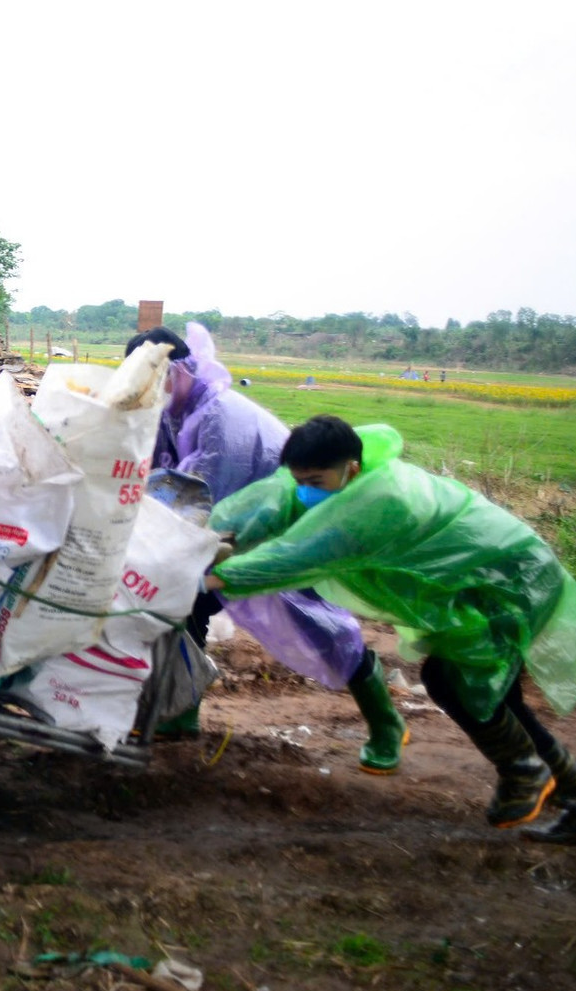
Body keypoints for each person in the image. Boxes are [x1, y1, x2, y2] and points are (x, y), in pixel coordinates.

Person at [207, 415, 576, 846]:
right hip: (480, 578)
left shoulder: (380, 503)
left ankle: (525, 772)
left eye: (315, 480)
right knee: (496, 698)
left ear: (351, 469)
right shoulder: (336, 480)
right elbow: (277, 503)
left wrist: (207, 577)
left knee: (456, 681)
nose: (305, 488)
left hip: (511, 581)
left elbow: (295, 557)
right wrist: (214, 536)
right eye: (299, 478)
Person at [129, 326, 403, 774]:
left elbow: (208, 495)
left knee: (315, 625)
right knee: (187, 604)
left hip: (284, 529)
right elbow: (158, 473)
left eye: (151, 376)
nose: (145, 389)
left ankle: (385, 722)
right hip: (231, 531)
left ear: (179, 370)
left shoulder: (221, 416)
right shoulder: (172, 410)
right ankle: (180, 711)